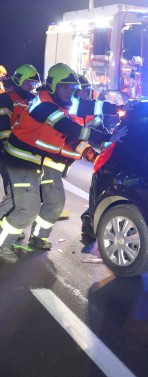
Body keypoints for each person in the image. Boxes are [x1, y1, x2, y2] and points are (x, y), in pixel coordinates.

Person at [0, 63, 127, 263]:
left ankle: (26, 238)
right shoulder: (44, 105)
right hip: (21, 158)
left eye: (72, 88)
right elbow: (71, 129)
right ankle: (2, 244)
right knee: (28, 207)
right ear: (53, 85)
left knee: (28, 204)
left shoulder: (58, 99)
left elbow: (90, 105)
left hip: (32, 160)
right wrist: (106, 138)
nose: (71, 92)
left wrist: (118, 108)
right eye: (66, 87)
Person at [0, 64, 41, 195]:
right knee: (12, 187)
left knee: (26, 187)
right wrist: (6, 146)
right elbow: (3, 124)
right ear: (19, 80)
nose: (32, 86)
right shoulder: (6, 98)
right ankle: (9, 211)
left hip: (26, 150)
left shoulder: (34, 100)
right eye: (29, 82)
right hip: (7, 150)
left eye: (34, 83)